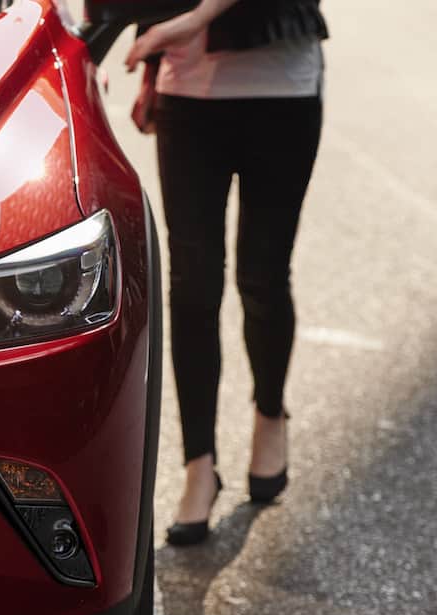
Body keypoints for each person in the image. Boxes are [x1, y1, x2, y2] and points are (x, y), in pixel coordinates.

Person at [125, 0, 328, 546]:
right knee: (193, 285)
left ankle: (269, 415)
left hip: (281, 89)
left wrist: (194, 19)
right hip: (186, 97)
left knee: (261, 277)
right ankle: (199, 465)